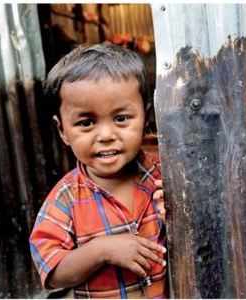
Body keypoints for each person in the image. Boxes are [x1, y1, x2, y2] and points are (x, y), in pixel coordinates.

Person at [29, 43, 167, 299]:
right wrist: (102, 250)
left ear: (145, 117)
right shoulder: (66, 199)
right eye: (87, 122)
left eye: (121, 118)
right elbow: (53, 272)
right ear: (62, 131)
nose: (106, 136)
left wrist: (177, 216)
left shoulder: (165, 177)